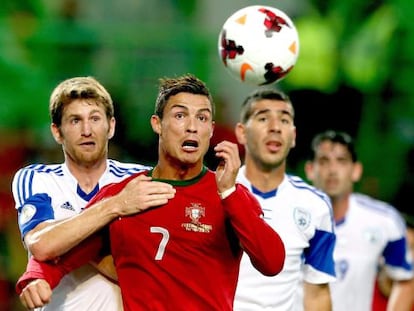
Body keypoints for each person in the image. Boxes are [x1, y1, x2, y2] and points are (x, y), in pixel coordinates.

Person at [16, 73, 286, 311]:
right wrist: (36, 277)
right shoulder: (125, 195)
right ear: (157, 124)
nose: (192, 126)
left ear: (211, 130)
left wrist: (229, 193)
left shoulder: (230, 195)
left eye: (202, 118)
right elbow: (66, 252)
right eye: (180, 115)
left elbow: (272, 262)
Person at [12, 76, 176, 310]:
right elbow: (41, 244)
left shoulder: (140, 179)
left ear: (111, 127)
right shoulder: (36, 178)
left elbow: (155, 268)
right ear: (57, 132)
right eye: (75, 121)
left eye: (95, 119)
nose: (86, 130)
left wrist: (68, 238)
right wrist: (116, 206)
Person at [233, 89, 336, 310]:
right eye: (263, 118)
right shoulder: (214, 192)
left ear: (294, 136)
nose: (275, 127)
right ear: (241, 133)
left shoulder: (316, 206)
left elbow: (317, 293)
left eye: (284, 120)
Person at [304, 129, 414, 311]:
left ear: (356, 170)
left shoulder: (384, 220)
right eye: (324, 161)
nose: (332, 170)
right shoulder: (288, 216)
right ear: (310, 170)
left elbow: (405, 278)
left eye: (341, 161)